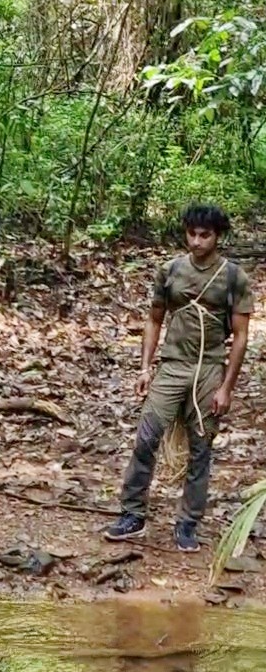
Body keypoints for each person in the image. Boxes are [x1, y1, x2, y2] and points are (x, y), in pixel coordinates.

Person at [105, 204, 252, 552]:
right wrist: (145, 367)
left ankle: (187, 524)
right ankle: (132, 514)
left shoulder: (233, 277)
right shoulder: (170, 271)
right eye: (192, 234)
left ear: (218, 237)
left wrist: (226, 387)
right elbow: (154, 320)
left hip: (208, 370)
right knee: (146, 437)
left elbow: (241, 336)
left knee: (201, 449)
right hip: (172, 367)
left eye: (205, 235)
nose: (197, 242)